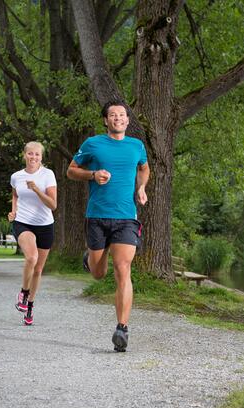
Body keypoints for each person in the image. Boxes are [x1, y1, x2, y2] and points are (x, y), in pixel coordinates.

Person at [67, 100, 150, 352]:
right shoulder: (92, 144)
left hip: (126, 216)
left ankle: (122, 329)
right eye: (113, 115)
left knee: (123, 268)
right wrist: (92, 175)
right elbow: (71, 171)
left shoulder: (137, 145)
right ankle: (91, 259)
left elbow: (144, 169)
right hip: (97, 216)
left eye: (122, 115)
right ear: (106, 120)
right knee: (99, 273)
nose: (118, 118)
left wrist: (141, 186)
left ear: (127, 120)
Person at [8, 141, 57, 326]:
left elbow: (53, 205)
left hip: (45, 224)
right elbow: (15, 195)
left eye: (37, 154)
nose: (33, 157)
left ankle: (29, 305)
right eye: (30, 154)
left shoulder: (48, 175)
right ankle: (23, 291)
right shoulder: (16, 177)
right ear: (25, 155)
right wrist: (14, 211)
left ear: (41, 157)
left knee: (38, 270)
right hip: (23, 222)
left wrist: (37, 189)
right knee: (31, 258)